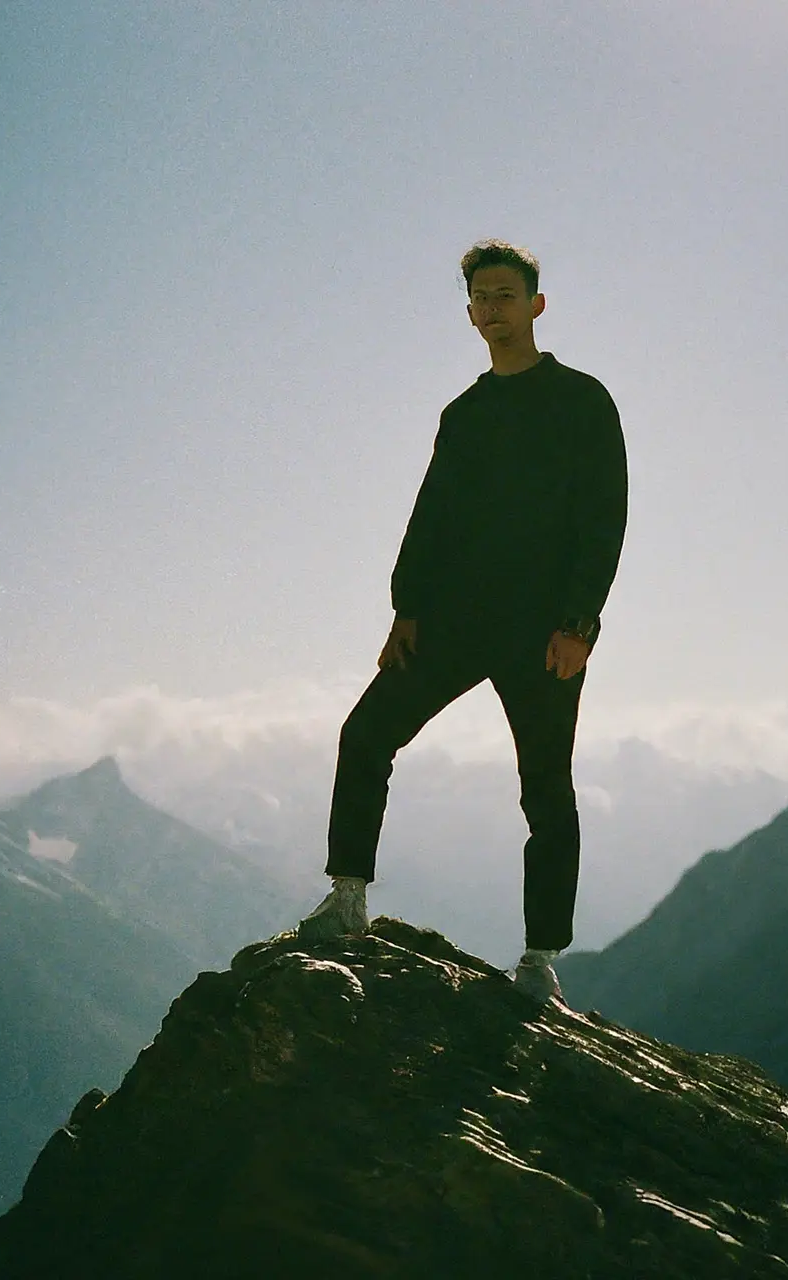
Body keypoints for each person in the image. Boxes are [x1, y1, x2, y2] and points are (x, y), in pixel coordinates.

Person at [296, 239, 628, 1006]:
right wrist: (406, 609)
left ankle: (540, 957)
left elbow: (604, 516)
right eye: (482, 298)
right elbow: (432, 514)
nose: (494, 309)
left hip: (544, 629)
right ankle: (348, 898)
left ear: (536, 305)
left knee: (546, 787)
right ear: (469, 312)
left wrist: (581, 622)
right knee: (365, 735)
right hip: (452, 619)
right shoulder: (466, 414)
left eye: (507, 295)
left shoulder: (582, 401)